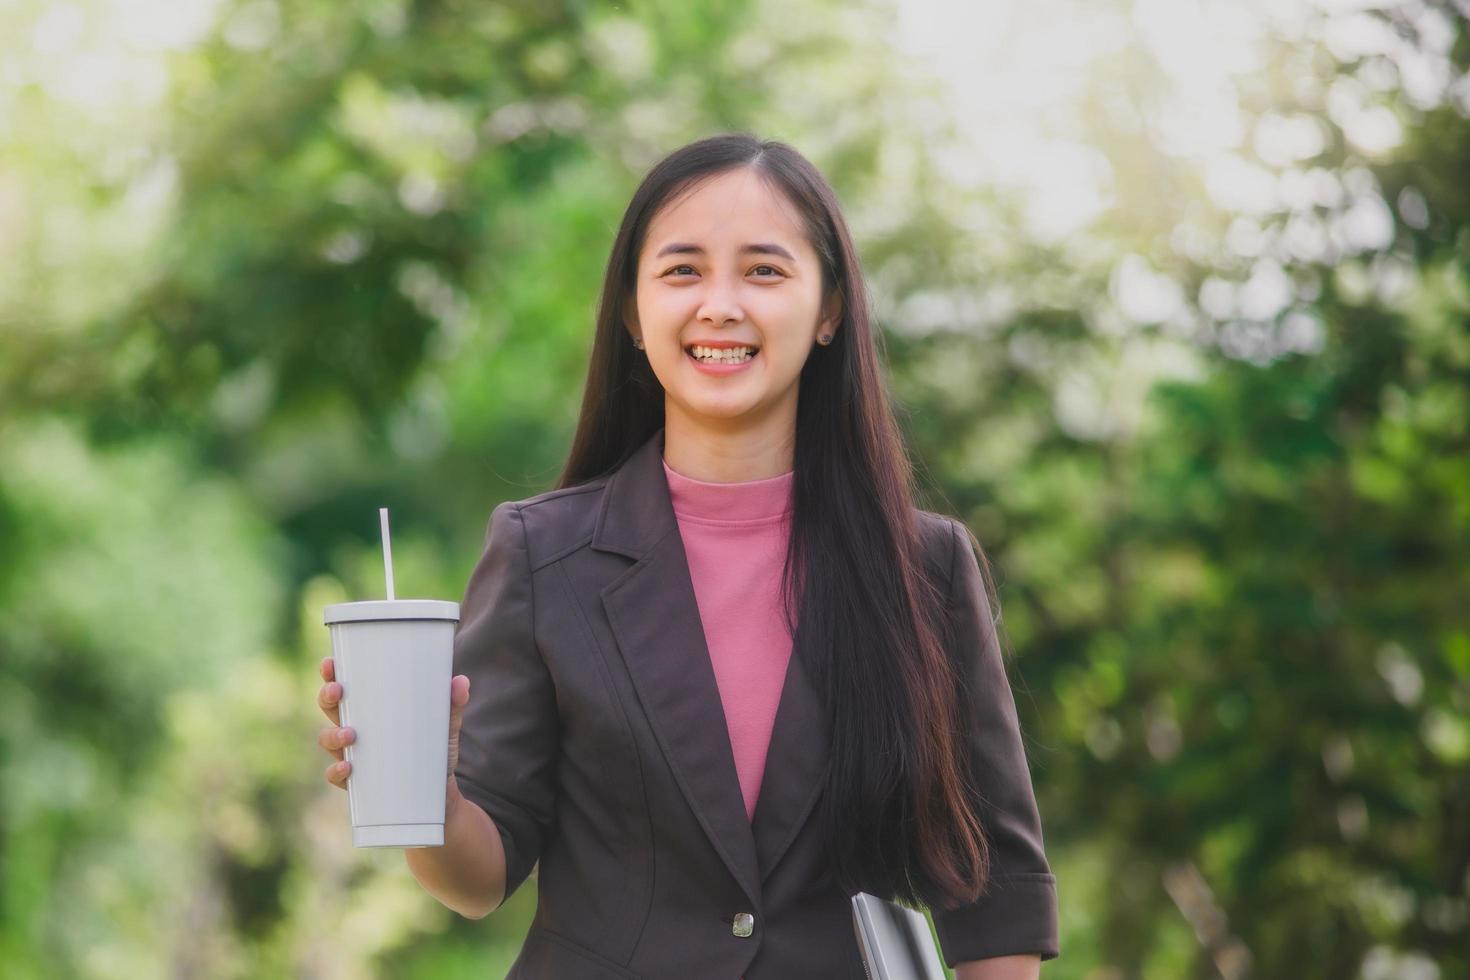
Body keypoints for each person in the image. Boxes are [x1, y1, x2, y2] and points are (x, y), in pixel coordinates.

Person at [316, 132, 1059, 979]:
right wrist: (425, 787)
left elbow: (993, 899)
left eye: (765, 271)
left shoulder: (924, 571)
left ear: (829, 311)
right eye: (682, 271)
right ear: (633, 313)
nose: (720, 305)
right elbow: (479, 878)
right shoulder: (542, 553)